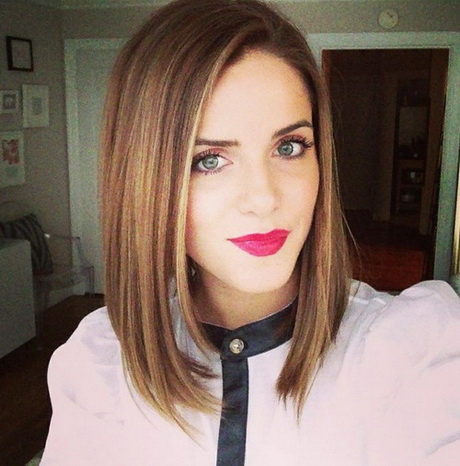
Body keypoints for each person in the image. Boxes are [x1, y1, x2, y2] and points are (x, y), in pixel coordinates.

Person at [41, 0, 460, 464]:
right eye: (209, 160)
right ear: (146, 181)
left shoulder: (413, 349)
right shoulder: (99, 361)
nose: (263, 198)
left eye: (289, 147)